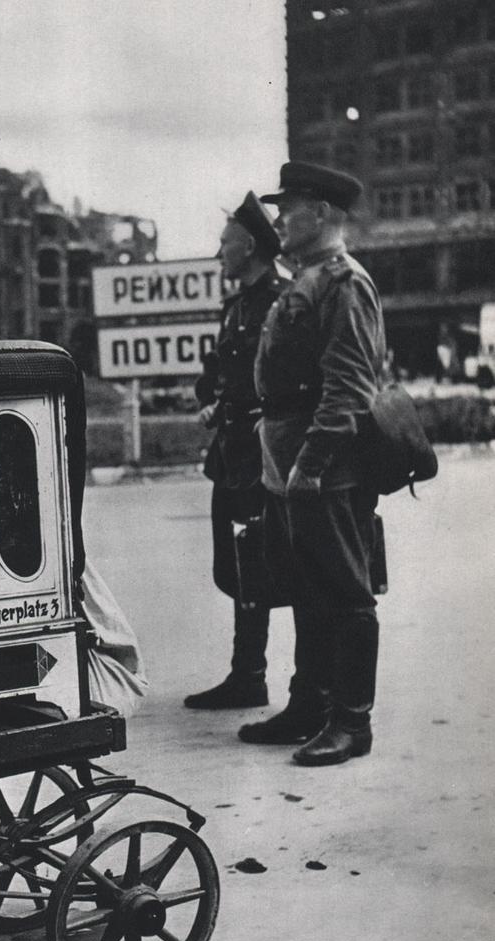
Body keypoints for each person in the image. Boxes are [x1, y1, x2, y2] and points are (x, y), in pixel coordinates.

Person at [238, 161, 384, 766]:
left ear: (320, 213)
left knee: (346, 594)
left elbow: (349, 385)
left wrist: (312, 464)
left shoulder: (344, 282)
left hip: (323, 467)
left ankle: (352, 723)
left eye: (287, 207)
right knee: (304, 588)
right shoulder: (309, 277)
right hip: (290, 461)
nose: (277, 219)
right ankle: (309, 705)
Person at [184, 192, 288, 710]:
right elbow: (224, 375)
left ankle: (251, 675)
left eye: (225, 242)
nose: (219, 252)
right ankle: (246, 672)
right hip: (232, 456)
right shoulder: (239, 304)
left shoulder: (279, 299)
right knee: (234, 567)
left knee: (259, 564)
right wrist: (215, 402)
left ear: (248, 245)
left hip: (263, 456)